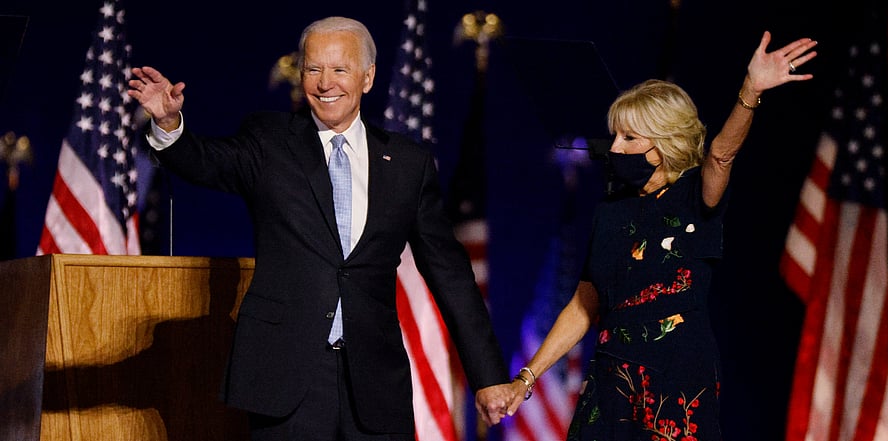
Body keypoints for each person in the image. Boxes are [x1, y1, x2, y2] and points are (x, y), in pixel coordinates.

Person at [127, 16, 514, 440]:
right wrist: (168, 126)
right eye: (313, 69)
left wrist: (488, 375)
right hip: (286, 381)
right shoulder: (270, 140)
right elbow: (206, 161)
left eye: (339, 70)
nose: (324, 83)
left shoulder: (407, 164)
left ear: (367, 78)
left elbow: (451, 274)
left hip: (375, 385)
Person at [501, 31, 818, 440]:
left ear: (664, 145)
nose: (615, 148)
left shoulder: (694, 196)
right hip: (611, 378)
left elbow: (722, 154)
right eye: (614, 135)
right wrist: (524, 380)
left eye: (629, 138)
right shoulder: (611, 212)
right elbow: (583, 305)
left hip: (676, 377)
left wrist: (749, 90)